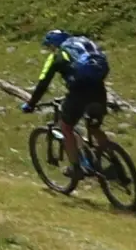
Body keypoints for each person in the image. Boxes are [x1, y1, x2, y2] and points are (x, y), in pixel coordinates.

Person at [20, 29, 112, 179]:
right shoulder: (83, 42)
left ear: (54, 44)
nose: (50, 50)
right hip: (99, 90)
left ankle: (76, 168)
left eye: (49, 46)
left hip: (79, 93)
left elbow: (43, 83)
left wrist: (30, 104)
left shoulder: (58, 55)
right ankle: (113, 161)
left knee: (66, 128)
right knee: (94, 127)